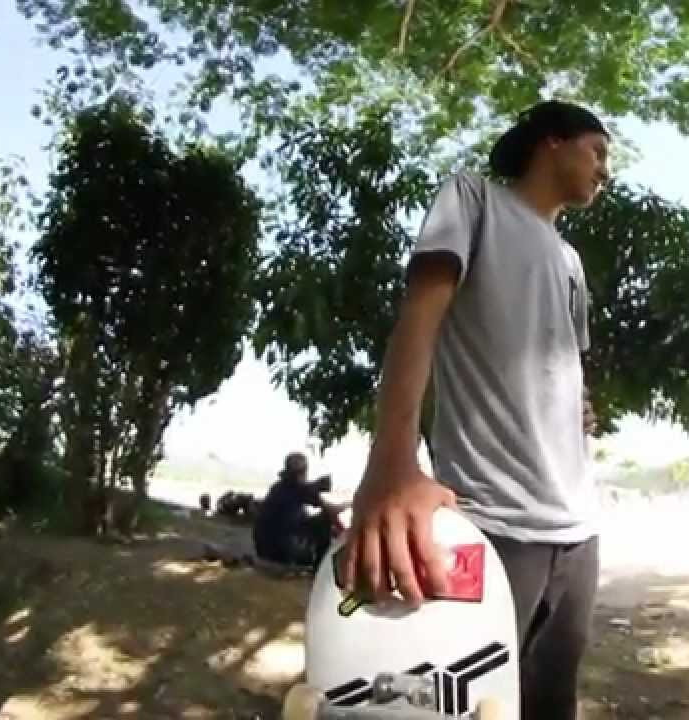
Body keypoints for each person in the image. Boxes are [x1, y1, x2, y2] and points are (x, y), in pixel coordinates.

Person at [340, 99, 610, 718]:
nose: (604, 170)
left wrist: (578, 405)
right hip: (492, 521)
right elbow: (418, 320)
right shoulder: (472, 200)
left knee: (550, 704)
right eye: (598, 150)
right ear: (552, 141)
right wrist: (392, 465)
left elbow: (564, 360)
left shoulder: (570, 261)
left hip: (578, 530)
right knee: (460, 705)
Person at [253, 452, 349, 571]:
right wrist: (353, 503)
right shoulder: (300, 489)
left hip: (264, 549)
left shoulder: (278, 487)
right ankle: (319, 567)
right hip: (282, 551)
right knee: (325, 519)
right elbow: (333, 510)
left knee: (324, 523)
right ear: (303, 472)